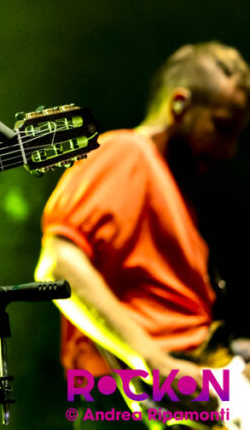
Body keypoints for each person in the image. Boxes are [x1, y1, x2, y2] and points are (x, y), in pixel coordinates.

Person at [36, 42, 250, 421]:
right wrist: (150, 361)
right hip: (135, 398)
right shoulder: (126, 151)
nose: (229, 149)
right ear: (179, 105)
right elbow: (58, 266)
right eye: (222, 127)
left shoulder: (172, 193)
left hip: (192, 389)